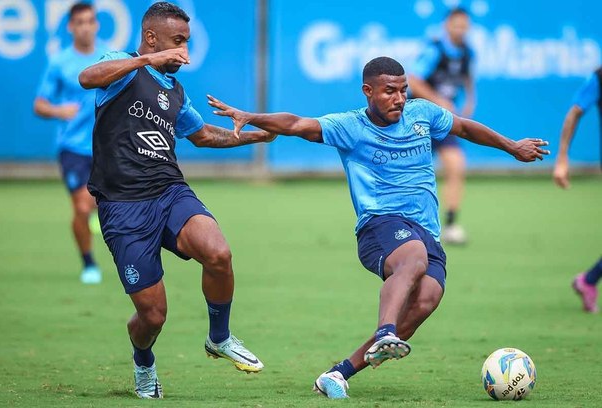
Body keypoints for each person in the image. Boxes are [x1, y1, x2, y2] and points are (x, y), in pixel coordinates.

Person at [207, 56, 548, 399]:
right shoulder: (349, 126)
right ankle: (386, 331)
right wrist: (251, 116)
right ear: (368, 92)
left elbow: (463, 127)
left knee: (428, 298)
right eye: (389, 92)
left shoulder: (422, 113)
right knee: (412, 259)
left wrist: (511, 146)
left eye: (403, 90)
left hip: (425, 230)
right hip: (378, 226)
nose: (399, 98)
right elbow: (297, 123)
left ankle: (338, 374)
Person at [78, 2, 274, 399]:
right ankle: (144, 364)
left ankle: (219, 337)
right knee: (152, 316)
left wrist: (257, 134)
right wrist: (148, 59)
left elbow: (202, 135)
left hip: (169, 191)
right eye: (177, 42)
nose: (184, 52)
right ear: (151, 38)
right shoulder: (121, 64)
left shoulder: (175, 91)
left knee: (218, 253)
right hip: (123, 206)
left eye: (186, 41)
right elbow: (87, 77)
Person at [33, 2, 108, 284]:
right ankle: (89, 263)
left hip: (107, 147)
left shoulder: (110, 56)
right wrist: (58, 110)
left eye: (90, 21)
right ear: (70, 27)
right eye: (79, 22)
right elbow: (39, 104)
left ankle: (99, 210)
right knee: (80, 206)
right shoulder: (60, 62)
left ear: (97, 24)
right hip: (73, 147)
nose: (85, 27)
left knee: (108, 203)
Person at [408, 7, 475, 245]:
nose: (460, 29)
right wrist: (439, 101)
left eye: (464, 25)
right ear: (447, 25)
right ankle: (403, 223)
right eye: (456, 24)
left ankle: (450, 224)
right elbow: (413, 81)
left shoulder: (467, 52)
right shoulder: (434, 50)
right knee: (411, 174)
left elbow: (467, 78)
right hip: (417, 118)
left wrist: (469, 100)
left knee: (456, 165)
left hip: (441, 121)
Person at [553, 68, 602, 313]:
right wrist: (562, 158)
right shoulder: (599, 78)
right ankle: (589, 280)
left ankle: (589, 280)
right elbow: (574, 113)